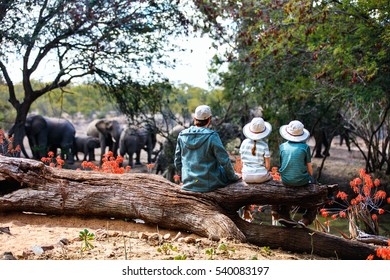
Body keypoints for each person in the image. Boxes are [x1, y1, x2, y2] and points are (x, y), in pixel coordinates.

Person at [174, 105, 241, 192]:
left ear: (195, 118)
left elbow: (177, 162)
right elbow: (224, 161)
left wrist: (184, 178)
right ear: (209, 119)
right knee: (225, 173)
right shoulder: (212, 136)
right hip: (210, 184)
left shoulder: (182, 135)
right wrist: (233, 177)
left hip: (188, 183)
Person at [273, 120, 316, 227]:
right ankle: (306, 218)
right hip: (301, 181)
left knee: (287, 190)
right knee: (317, 192)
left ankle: (284, 214)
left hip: (286, 180)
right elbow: (310, 171)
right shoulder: (305, 147)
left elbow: (283, 164)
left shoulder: (282, 146)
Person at [239, 117, 273, 221]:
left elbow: (241, 162)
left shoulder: (244, 143)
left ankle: (246, 209)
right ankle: (275, 210)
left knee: (247, 187)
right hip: (261, 176)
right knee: (273, 181)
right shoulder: (264, 145)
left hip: (246, 176)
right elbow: (267, 166)